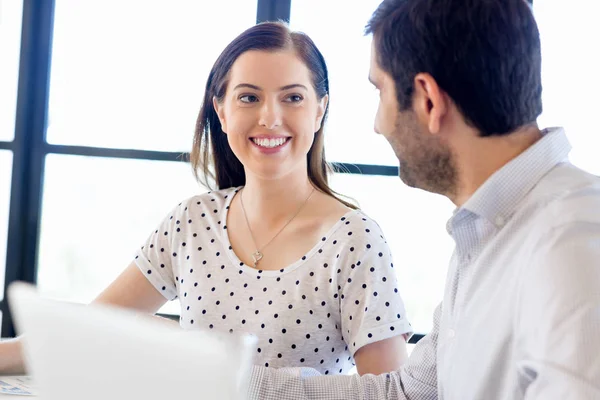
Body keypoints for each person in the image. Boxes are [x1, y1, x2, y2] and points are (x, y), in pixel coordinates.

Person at [0, 22, 412, 377]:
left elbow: (389, 393)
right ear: (221, 110)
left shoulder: (356, 241)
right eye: (249, 97)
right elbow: (84, 331)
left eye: (293, 97)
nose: (270, 117)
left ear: (320, 110)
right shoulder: (192, 222)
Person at [246, 0, 600, 399]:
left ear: (428, 101)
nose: (377, 125)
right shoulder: (488, 233)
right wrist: (225, 378)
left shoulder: (570, 243)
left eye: (380, 91)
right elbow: (406, 393)